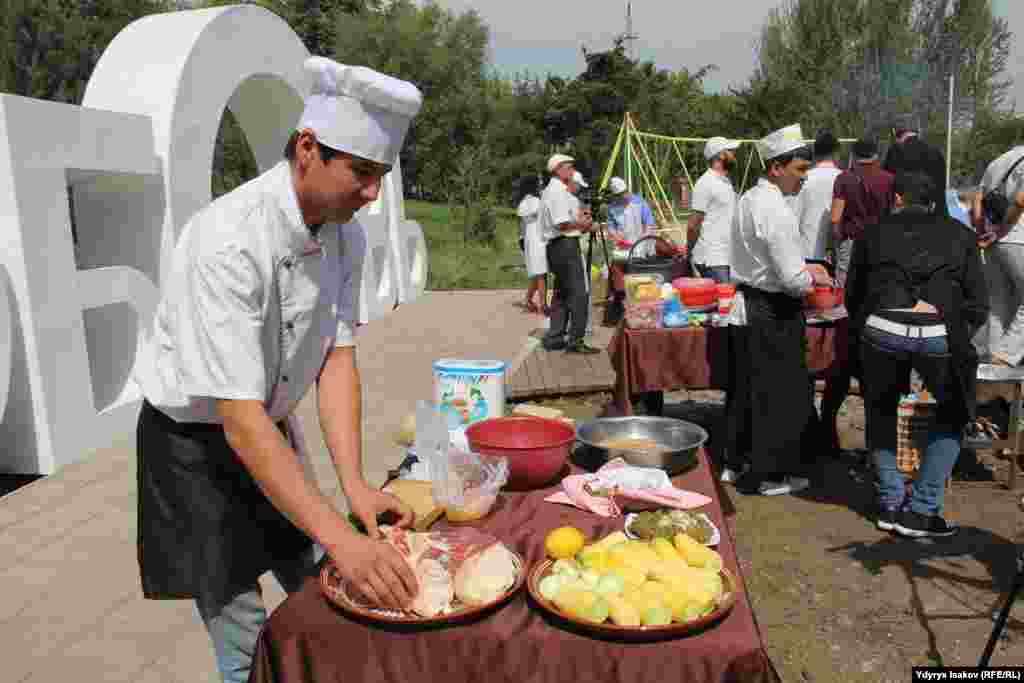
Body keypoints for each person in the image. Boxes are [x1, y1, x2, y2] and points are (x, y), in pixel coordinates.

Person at [132, 57, 422, 683]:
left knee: (322, 596)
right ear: (309, 149)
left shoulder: (346, 235)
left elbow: (337, 359)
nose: (372, 195)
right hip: (195, 451)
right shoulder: (227, 240)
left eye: (382, 177)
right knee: (248, 643)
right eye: (362, 174)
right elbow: (237, 420)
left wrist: (355, 487)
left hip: (267, 427)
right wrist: (343, 541)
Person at [845, 172, 988, 537]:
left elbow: (853, 297)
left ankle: (891, 501)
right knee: (954, 412)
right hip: (939, 330)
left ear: (895, 199)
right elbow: (978, 304)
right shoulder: (962, 236)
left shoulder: (870, 233)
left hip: (881, 328)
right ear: (935, 202)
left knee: (880, 409)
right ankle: (923, 510)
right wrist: (953, 330)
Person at [725, 124, 833, 495]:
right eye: (800, 170)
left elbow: (769, 260)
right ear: (776, 168)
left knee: (751, 386)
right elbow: (791, 279)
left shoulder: (750, 199)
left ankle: (738, 461)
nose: (804, 178)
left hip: (753, 301)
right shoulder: (776, 209)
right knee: (779, 392)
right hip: (775, 308)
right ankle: (768, 474)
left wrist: (804, 268)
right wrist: (814, 279)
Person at [540, 154, 599, 354]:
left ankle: (555, 336)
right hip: (564, 245)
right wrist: (582, 224)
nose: (572, 170)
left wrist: (583, 221)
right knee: (578, 293)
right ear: (558, 169)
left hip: (558, 245)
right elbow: (562, 224)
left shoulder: (558, 191)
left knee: (562, 292)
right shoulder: (556, 192)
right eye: (569, 166)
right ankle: (576, 340)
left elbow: (568, 222)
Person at [974, 144, 1024, 367]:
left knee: (998, 304)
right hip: (1018, 237)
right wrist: (1002, 229)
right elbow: (1021, 201)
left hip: (993, 240)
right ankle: (1005, 356)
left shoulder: (1000, 159)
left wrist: (984, 231)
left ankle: (991, 365)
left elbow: (978, 197)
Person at [831, 137, 895, 286]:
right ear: (876, 155)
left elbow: (835, 218)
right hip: (880, 240)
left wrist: (838, 244)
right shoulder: (889, 179)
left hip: (851, 239)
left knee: (845, 283)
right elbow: (893, 212)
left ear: (853, 155)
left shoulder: (843, 179)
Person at [688, 136, 740, 283]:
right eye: (731, 151)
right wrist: (689, 251)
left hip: (726, 255)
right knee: (723, 302)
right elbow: (693, 224)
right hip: (712, 258)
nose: (734, 155)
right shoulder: (705, 183)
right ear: (720, 155)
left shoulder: (725, 181)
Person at [794, 130, 842, 260]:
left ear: (815, 152)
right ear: (836, 152)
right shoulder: (845, 179)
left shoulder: (804, 179)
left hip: (807, 254)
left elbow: (794, 216)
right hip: (839, 255)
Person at [883, 124, 948, 213]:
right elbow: (941, 187)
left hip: (903, 212)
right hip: (931, 211)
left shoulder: (894, 152)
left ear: (897, 136)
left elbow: (886, 181)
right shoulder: (935, 151)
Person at [606, 175, 657, 258]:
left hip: (641, 245)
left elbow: (649, 224)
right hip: (623, 247)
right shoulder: (612, 207)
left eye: (625, 193)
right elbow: (610, 226)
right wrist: (615, 236)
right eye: (619, 196)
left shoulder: (640, 202)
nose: (624, 197)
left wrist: (643, 240)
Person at [516, 175, 546, 314]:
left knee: (536, 272)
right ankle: (543, 306)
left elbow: (521, 225)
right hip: (538, 237)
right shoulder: (537, 201)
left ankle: (528, 299)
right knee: (541, 273)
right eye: (539, 184)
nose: (541, 186)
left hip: (528, 237)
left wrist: (521, 240)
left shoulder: (522, 203)